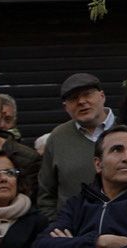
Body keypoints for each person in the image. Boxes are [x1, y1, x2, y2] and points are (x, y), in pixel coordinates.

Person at [37, 72, 115, 219]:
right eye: (73, 98)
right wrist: (56, 226)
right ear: (66, 107)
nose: (81, 101)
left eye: (87, 94)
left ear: (102, 96)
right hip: (72, 229)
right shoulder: (57, 138)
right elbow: (46, 195)